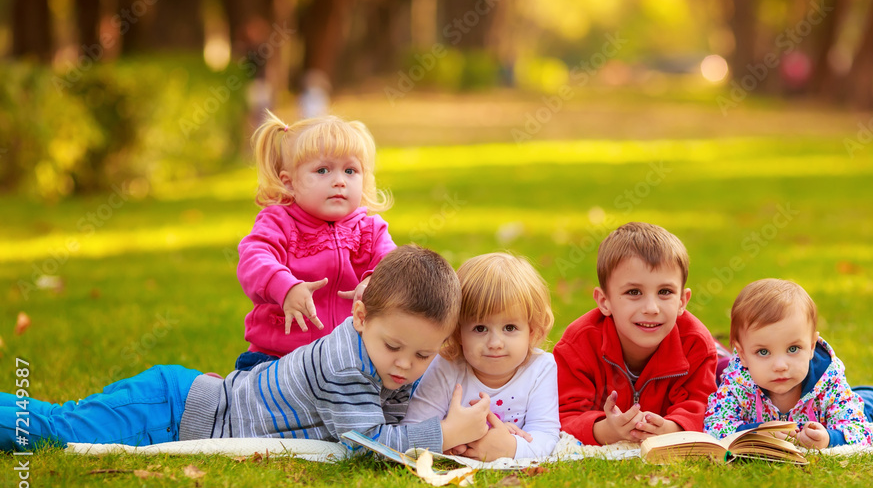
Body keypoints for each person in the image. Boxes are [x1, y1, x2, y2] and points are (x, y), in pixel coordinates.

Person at [1, 246, 495, 456]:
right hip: (171, 411)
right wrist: (447, 433)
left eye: (424, 356)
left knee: (59, 425)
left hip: (188, 397)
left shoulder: (382, 359)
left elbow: (396, 421)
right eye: (394, 347)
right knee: (54, 429)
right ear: (360, 315)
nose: (406, 366)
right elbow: (366, 445)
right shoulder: (345, 363)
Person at [235, 109, 396, 371]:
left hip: (348, 359)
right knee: (257, 407)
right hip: (278, 357)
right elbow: (254, 258)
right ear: (289, 183)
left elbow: (394, 264)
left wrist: (373, 282)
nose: (339, 181)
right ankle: (225, 392)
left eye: (350, 170)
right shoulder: (278, 222)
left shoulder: (370, 228)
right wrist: (284, 287)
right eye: (323, 170)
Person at [555, 222, 719, 445]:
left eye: (665, 292)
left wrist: (672, 428)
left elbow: (704, 405)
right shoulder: (578, 344)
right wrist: (605, 430)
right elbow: (564, 412)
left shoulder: (695, 344)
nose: (651, 308)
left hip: (709, 354)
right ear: (605, 301)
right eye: (634, 292)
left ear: (682, 301)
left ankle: (723, 351)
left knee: (726, 368)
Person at [704, 278, 873, 448]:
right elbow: (713, 426)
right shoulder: (738, 381)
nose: (780, 365)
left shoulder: (828, 380)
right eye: (763, 351)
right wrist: (758, 431)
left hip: (828, 411)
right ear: (741, 354)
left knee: (866, 405)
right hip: (753, 398)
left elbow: (859, 430)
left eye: (793, 349)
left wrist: (829, 438)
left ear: (812, 346)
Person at [403, 253, 560, 461]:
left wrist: (510, 447)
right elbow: (413, 428)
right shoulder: (447, 367)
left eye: (510, 327)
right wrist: (450, 438)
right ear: (458, 332)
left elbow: (546, 435)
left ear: (533, 331)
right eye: (480, 328)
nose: (495, 343)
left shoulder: (540, 368)